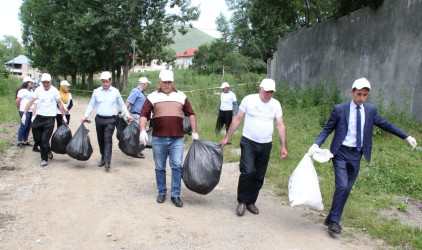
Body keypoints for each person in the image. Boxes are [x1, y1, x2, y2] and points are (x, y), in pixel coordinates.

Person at [308, 78, 418, 234]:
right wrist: (316, 144)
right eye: (359, 94)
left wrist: (406, 136)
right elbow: (327, 129)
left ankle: (331, 216)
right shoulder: (340, 109)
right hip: (340, 152)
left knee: (347, 188)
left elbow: (386, 124)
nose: (361, 98)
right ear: (352, 92)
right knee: (342, 186)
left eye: (365, 95)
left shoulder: (371, 110)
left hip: (357, 154)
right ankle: (334, 222)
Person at [221, 78, 288, 216]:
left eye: (271, 92)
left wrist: (283, 146)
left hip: (265, 144)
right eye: (267, 91)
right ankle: (242, 201)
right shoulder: (249, 100)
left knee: (259, 175)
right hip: (248, 142)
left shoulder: (275, 104)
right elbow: (238, 119)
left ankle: (251, 202)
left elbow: (280, 125)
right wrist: (227, 137)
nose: (269, 94)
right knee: (248, 171)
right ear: (260, 89)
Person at [139, 69, 198, 208]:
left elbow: (191, 114)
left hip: (177, 139)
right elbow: (143, 114)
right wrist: (142, 130)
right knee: (160, 167)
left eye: (169, 82)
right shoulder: (152, 97)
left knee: (177, 166)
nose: (167, 85)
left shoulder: (181, 96)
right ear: (159, 82)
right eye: (164, 82)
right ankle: (162, 192)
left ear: (173, 82)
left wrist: (194, 131)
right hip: (158, 139)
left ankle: (175, 194)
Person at [81, 71, 134, 172]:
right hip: (99, 119)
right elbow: (91, 105)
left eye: (107, 82)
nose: (105, 84)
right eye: (103, 82)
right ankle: (102, 157)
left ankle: (107, 161)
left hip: (111, 119)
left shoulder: (115, 92)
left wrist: (128, 115)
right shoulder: (96, 92)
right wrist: (85, 116)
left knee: (107, 139)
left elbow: (122, 104)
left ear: (110, 81)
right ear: (101, 81)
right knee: (100, 139)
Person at [21, 73, 67, 167]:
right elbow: (31, 102)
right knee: (37, 138)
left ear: (50, 82)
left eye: (47, 82)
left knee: (44, 139)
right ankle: (47, 149)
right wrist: (24, 114)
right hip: (39, 117)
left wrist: (63, 115)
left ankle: (44, 159)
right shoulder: (38, 90)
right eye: (44, 82)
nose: (46, 84)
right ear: (41, 82)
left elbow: (60, 103)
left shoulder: (54, 91)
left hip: (50, 118)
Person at [125, 76, 151, 159]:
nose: (147, 86)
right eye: (147, 85)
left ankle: (136, 150)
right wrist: (125, 113)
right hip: (136, 116)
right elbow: (128, 102)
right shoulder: (135, 91)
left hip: (140, 116)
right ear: (144, 84)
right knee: (136, 134)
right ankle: (135, 151)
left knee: (138, 134)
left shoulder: (141, 92)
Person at [16, 76, 35, 148]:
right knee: (23, 126)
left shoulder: (31, 91)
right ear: (27, 83)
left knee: (28, 126)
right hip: (24, 110)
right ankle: (19, 141)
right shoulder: (22, 91)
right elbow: (18, 100)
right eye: (31, 82)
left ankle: (25, 140)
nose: (32, 84)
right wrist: (19, 109)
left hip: (30, 110)